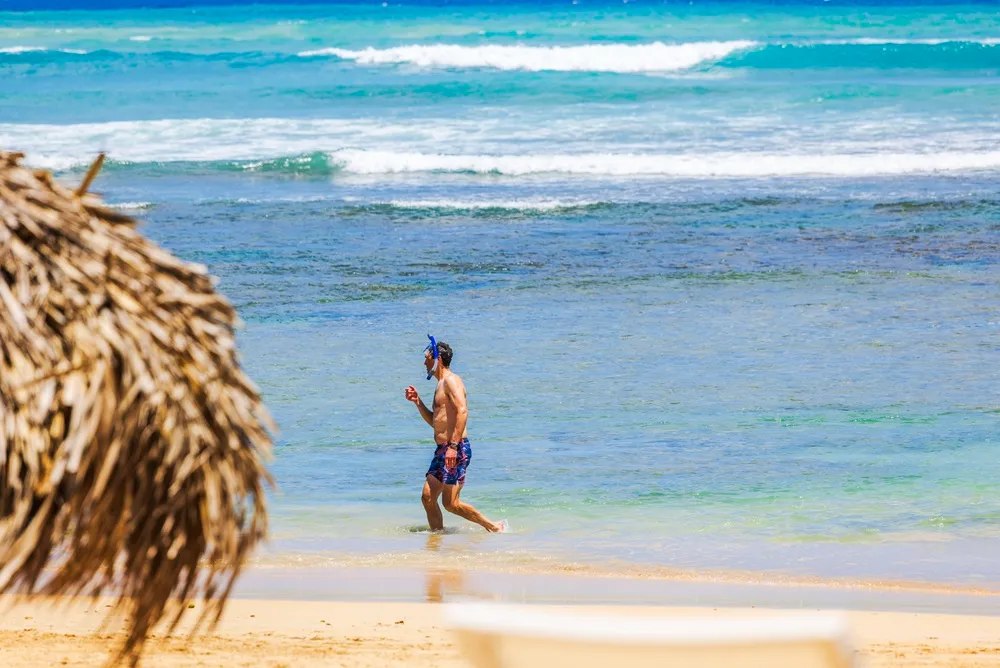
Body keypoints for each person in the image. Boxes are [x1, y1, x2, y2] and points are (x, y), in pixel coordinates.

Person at [405, 335, 507, 533]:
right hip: (441, 449)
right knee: (427, 497)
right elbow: (436, 423)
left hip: (456, 447)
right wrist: (418, 402)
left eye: (427, 357)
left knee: (451, 504)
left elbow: (462, 411)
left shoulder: (452, 381)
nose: (424, 362)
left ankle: (493, 526)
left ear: (438, 359)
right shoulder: (439, 385)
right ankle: (438, 540)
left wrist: (452, 447)